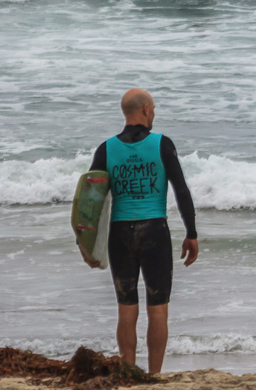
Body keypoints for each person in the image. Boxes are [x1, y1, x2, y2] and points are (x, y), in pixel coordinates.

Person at [86, 89, 199, 374]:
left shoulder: (106, 149)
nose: (154, 112)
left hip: (119, 234)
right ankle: (154, 376)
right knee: (158, 307)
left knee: (126, 307)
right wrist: (191, 233)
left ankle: (128, 373)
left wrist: (86, 244)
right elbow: (181, 190)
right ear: (146, 109)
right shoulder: (162, 144)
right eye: (154, 108)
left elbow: (90, 201)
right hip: (154, 232)